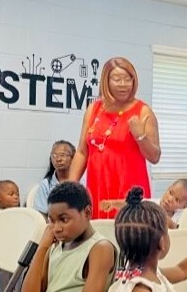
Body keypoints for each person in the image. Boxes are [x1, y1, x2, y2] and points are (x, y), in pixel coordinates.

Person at [69, 57, 161, 219]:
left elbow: (155, 157)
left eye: (128, 79)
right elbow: (82, 152)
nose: (123, 84)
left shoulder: (143, 111)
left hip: (128, 190)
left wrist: (140, 136)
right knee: (100, 235)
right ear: (106, 80)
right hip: (98, 185)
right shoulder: (94, 109)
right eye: (117, 79)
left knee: (127, 236)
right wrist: (70, 187)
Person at [100, 178, 187, 229]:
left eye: (177, 200)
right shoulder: (151, 204)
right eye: (170, 192)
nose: (170, 199)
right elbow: (131, 204)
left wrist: (170, 223)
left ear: (183, 207)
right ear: (168, 188)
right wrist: (112, 203)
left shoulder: (181, 216)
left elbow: (180, 232)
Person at [33, 140, 75, 216]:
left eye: (63, 155)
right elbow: (41, 215)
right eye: (54, 156)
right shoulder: (45, 184)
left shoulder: (84, 181)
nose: (58, 159)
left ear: (73, 158)